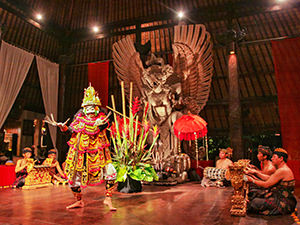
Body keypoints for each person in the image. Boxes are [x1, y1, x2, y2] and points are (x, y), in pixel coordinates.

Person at [45, 84, 117, 210]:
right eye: (87, 107)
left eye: (92, 107)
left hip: (99, 152)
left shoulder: (102, 118)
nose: (89, 110)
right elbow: (71, 129)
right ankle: (78, 200)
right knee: (73, 177)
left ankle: (108, 199)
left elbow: (100, 127)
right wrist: (64, 127)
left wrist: (99, 124)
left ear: (96, 108)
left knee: (110, 172)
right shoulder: (79, 119)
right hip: (81, 153)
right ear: (84, 109)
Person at [245, 148, 297, 215]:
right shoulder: (281, 169)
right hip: (279, 197)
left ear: (281, 159)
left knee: (255, 202)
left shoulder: (283, 170)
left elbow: (266, 184)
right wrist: (255, 173)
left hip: (284, 203)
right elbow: (270, 178)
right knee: (254, 195)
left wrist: (252, 180)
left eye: (274, 157)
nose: (272, 158)